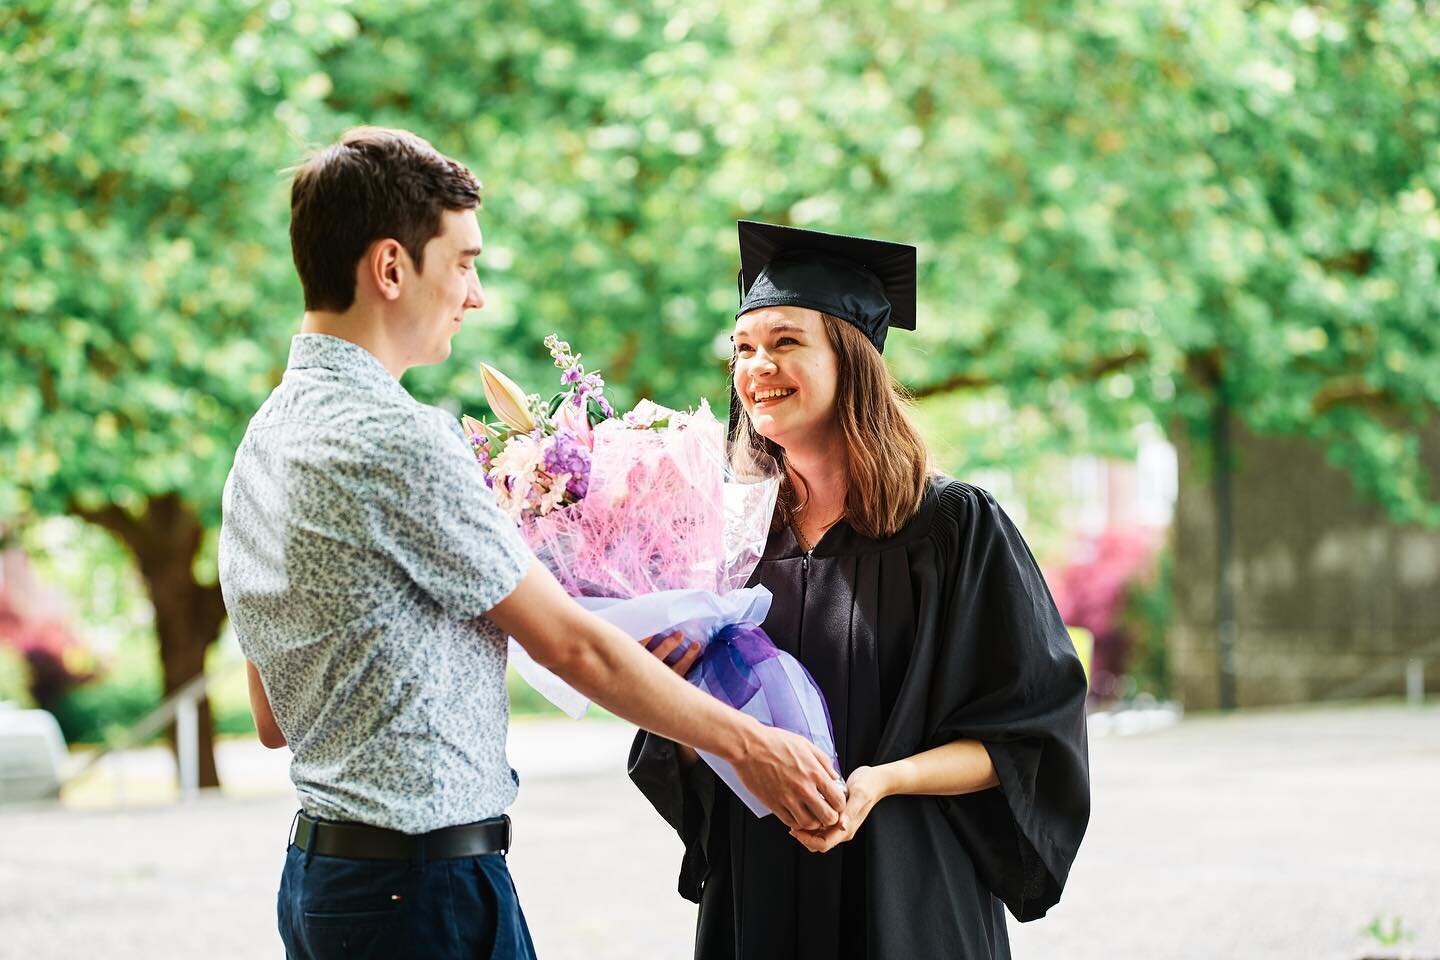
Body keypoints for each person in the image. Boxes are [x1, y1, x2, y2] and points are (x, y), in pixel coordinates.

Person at [217, 132, 845, 960]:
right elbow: (575, 648)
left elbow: (272, 717)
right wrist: (750, 744)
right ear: (392, 268)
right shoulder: (398, 440)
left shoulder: (265, 439)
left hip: (322, 885)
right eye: (464, 262)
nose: (473, 295)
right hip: (425, 895)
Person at [629, 221, 1091, 959]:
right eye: (743, 348)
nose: (756, 367)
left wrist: (882, 783)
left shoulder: (952, 528)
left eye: (785, 342)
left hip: (909, 893)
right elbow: (677, 749)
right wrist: (672, 691)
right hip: (760, 889)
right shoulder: (724, 541)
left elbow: (1030, 737)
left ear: (852, 358)